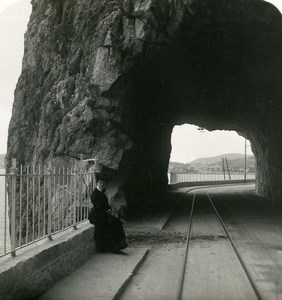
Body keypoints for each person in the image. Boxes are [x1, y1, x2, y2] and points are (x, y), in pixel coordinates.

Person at [90, 178, 128, 253]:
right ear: (97, 183)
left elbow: (106, 205)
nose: (102, 184)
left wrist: (109, 209)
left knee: (117, 221)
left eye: (103, 183)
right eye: (100, 183)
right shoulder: (94, 193)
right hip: (96, 215)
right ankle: (110, 247)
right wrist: (105, 211)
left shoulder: (102, 193)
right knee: (109, 224)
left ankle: (119, 244)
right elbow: (97, 205)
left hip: (103, 213)